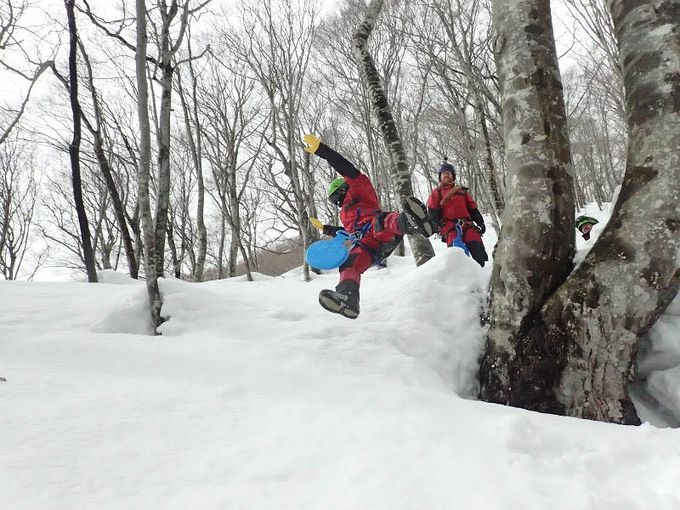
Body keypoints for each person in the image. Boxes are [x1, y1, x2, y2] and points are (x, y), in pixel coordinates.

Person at [303, 134, 434, 319]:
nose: (339, 202)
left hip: (381, 231)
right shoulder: (345, 214)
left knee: (381, 222)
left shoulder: (359, 188)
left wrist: (321, 150)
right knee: (349, 263)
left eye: (338, 197)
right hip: (368, 247)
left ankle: (414, 222)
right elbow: (345, 232)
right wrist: (325, 228)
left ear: (344, 188)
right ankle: (348, 298)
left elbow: (344, 166)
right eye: (335, 201)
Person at [426, 159, 488, 267]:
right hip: (450, 227)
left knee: (478, 250)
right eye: (444, 174)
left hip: (467, 225)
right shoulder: (436, 193)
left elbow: (473, 208)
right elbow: (432, 212)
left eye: (448, 173)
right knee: (457, 254)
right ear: (440, 177)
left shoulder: (462, 191)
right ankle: (462, 278)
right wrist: (436, 225)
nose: (446, 175)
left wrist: (480, 222)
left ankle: (483, 273)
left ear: (453, 176)